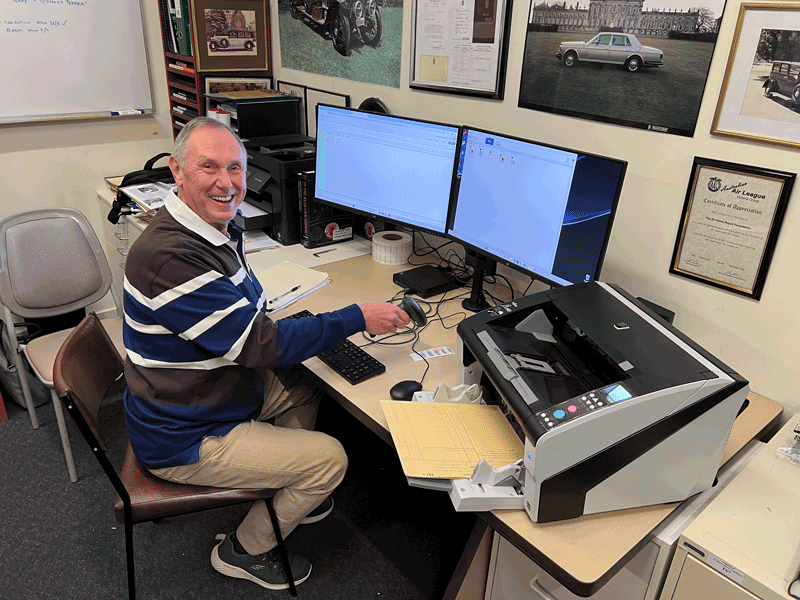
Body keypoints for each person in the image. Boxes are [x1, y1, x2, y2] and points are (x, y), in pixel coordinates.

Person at [122, 117, 410, 591]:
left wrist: (307, 328)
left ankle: (287, 485)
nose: (226, 182)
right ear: (176, 170)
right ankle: (243, 550)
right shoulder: (171, 257)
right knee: (331, 459)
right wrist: (355, 316)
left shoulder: (209, 229)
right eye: (208, 167)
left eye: (235, 168)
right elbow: (261, 345)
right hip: (183, 434)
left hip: (205, 393)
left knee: (304, 382)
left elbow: (252, 320)